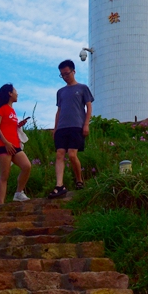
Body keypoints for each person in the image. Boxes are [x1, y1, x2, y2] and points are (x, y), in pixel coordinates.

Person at [48, 60, 93, 198]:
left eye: (67, 73)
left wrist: (86, 124)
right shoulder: (60, 92)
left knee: (72, 155)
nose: (65, 77)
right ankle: (59, 185)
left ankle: (79, 180)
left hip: (76, 125)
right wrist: (55, 128)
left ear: (73, 71)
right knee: (60, 154)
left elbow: (89, 107)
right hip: (62, 127)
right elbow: (59, 110)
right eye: (62, 75)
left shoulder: (82, 88)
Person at [0, 83, 32, 204]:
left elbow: (9, 126)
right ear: (9, 93)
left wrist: (18, 125)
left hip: (15, 144)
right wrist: (5, 142)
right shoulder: (1, 109)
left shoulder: (12, 110)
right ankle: (1, 203)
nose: (17, 94)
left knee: (27, 166)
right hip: (3, 145)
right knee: (4, 175)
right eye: (15, 91)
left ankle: (18, 193)